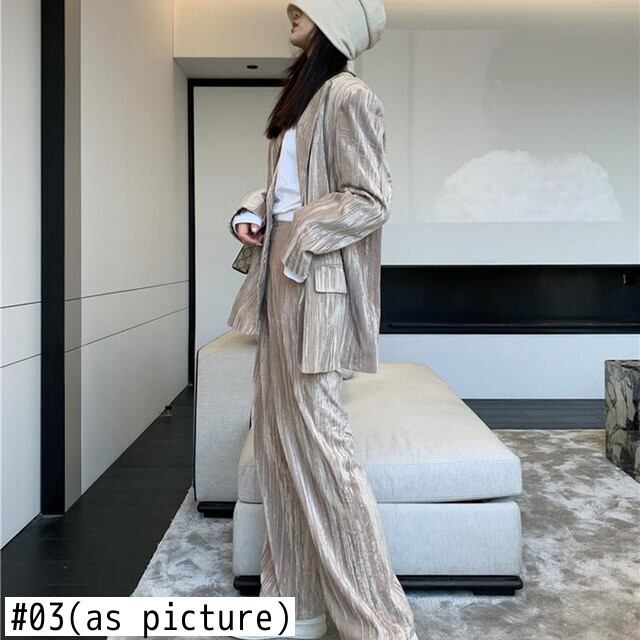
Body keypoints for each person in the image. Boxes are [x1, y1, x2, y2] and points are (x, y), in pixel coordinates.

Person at [228, 2, 419, 639]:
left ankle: (381, 624)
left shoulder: (350, 96)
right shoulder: (303, 97)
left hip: (313, 284)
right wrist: (254, 212)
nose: (290, 8)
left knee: (323, 450)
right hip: (278, 283)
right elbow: (287, 188)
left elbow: (369, 199)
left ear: (335, 18)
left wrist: (298, 235)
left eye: (305, 4)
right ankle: (297, 605)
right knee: (280, 448)